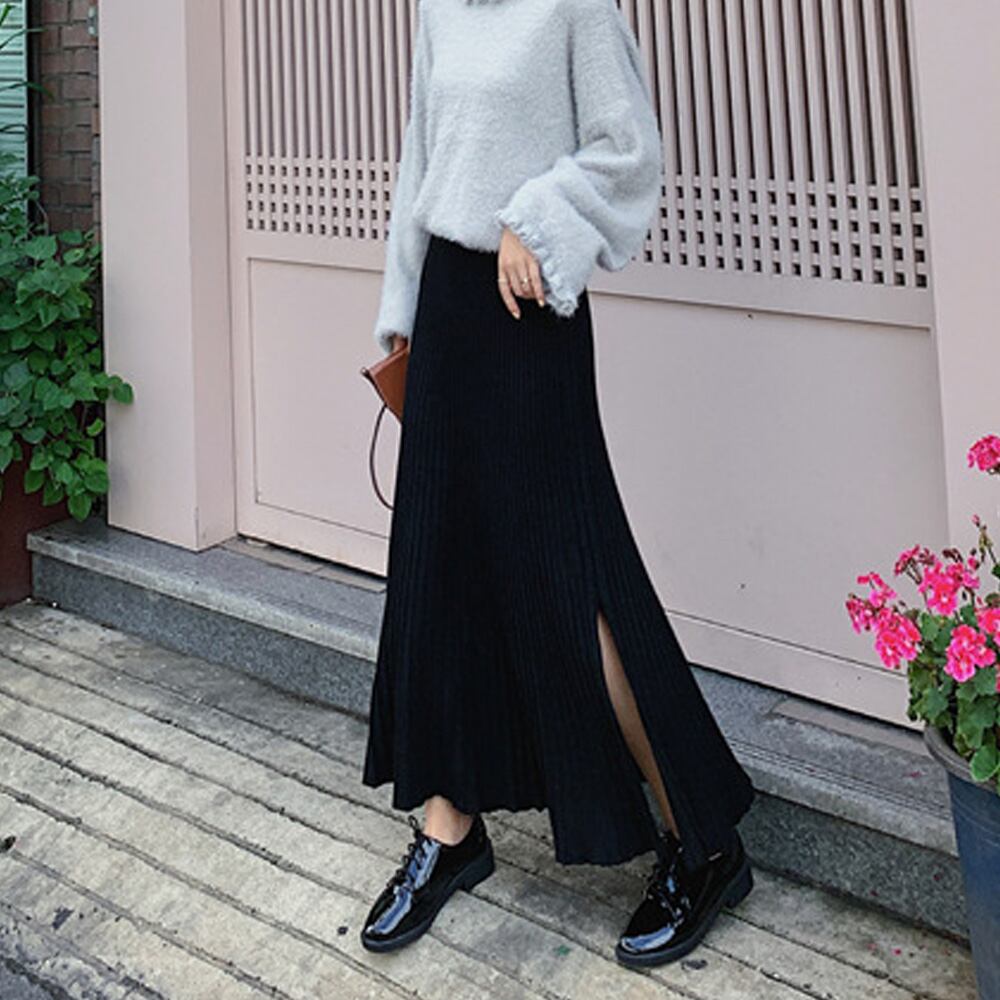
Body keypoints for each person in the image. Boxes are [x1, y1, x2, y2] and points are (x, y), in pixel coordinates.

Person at [359, 0, 756, 969]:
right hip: (450, 310)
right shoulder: (440, 10)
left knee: (573, 578)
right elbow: (421, 157)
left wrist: (534, 218)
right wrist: (401, 306)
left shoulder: (574, 8)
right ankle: (450, 829)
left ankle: (704, 843)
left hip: (528, 308)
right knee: (441, 572)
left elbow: (628, 150)